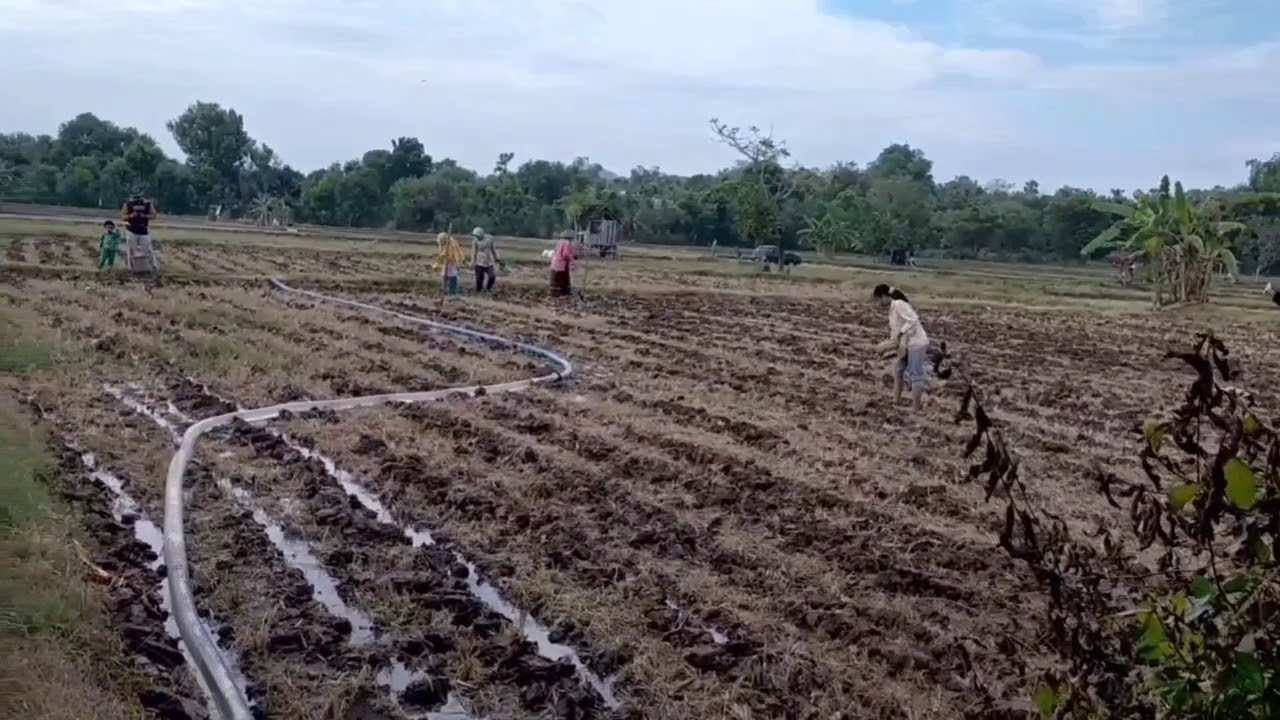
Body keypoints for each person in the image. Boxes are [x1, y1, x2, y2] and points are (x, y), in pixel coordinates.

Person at [872, 283, 931, 410]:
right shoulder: (892, 310)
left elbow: (913, 319)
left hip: (916, 343)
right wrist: (889, 345)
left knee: (916, 374)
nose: (878, 304)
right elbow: (896, 333)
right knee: (898, 369)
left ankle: (916, 408)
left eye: (878, 300)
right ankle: (896, 401)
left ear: (883, 296)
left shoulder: (899, 304)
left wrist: (901, 333)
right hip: (906, 344)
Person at [120, 193, 159, 275]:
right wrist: (131, 216)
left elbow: (154, 215)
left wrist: (145, 216)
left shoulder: (148, 204)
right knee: (131, 250)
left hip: (143, 230)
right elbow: (123, 216)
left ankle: (153, 266)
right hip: (131, 229)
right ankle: (131, 268)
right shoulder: (128, 204)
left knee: (148, 249)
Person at [433, 232, 466, 296]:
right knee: (445, 276)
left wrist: (459, 263)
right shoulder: (443, 244)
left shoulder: (452, 243)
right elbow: (441, 256)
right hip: (447, 262)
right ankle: (444, 291)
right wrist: (437, 265)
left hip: (453, 262)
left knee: (453, 276)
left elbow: (455, 253)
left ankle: (452, 292)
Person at [470, 226, 500, 292]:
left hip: (488, 261)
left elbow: (493, 249)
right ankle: (478, 291)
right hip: (479, 262)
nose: (476, 237)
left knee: (492, 276)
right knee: (479, 279)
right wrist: (472, 261)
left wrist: (496, 258)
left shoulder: (489, 239)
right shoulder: (475, 241)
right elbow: (474, 251)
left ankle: (488, 288)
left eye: (477, 235)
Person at [549, 230, 575, 297]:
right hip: (561, 264)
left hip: (555, 262)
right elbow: (565, 254)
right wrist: (571, 259)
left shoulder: (559, 242)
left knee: (555, 279)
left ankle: (554, 293)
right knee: (562, 279)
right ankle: (563, 293)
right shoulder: (567, 243)